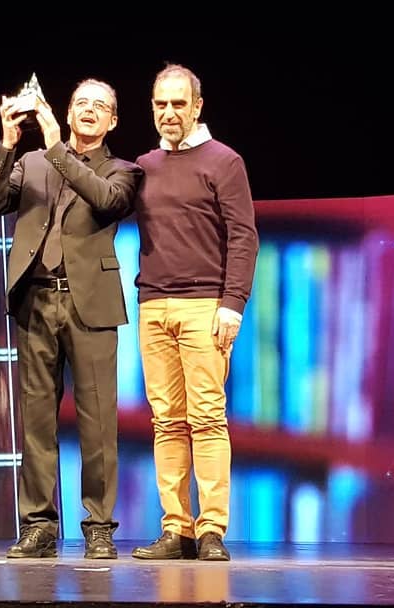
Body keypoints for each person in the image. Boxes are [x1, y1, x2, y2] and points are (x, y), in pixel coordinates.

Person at [0, 79, 141, 559]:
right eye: (81, 103)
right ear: (68, 112)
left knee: (97, 422)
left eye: (100, 106)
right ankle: (38, 525)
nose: (89, 110)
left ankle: (98, 526)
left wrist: (55, 147)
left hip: (90, 303)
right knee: (36, 420)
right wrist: (8, 144)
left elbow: (106, 201)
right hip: (35, 299)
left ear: (113, 120)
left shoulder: (123, 171)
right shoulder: (31, 162)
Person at [130, 64, 259, 562]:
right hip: (152, 305)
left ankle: (211, 530)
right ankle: (176, 528)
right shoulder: (144, 165)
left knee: (206, 418)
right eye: (160, 104)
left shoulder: (224, 161)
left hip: (205, 306)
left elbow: (243, 237)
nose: (168, 112)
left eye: (178, 103)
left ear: (197, 106)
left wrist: (233, 304)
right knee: (166, 422)